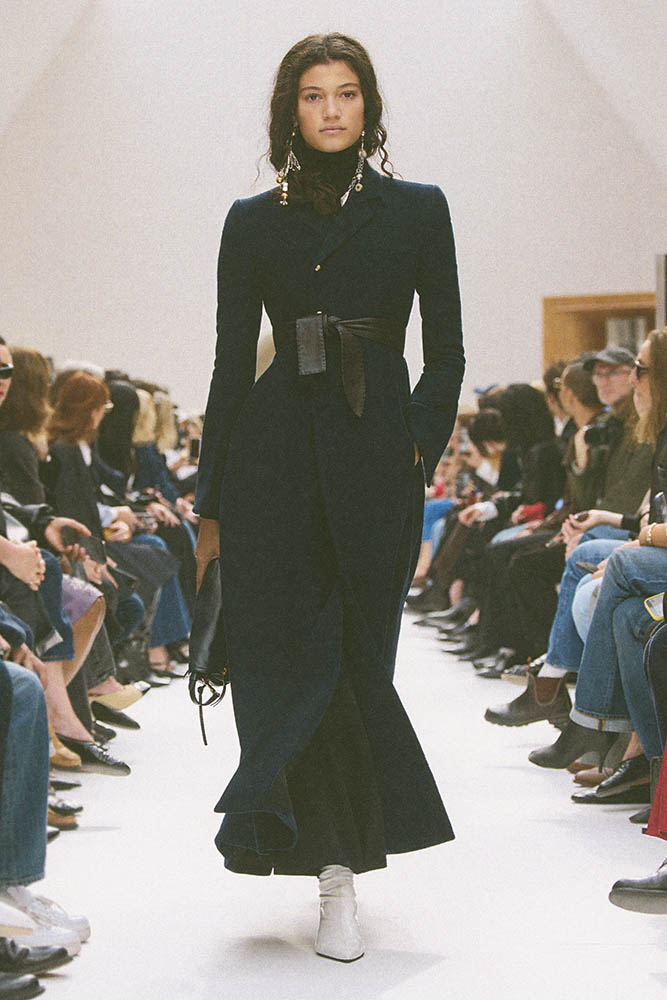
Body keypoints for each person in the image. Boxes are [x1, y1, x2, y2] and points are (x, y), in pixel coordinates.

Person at [193, 33, 464, 962]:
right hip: (271, 462)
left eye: (346, 93)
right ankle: (334, 877)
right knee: (289, 665)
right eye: (313, 95)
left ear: (368, 106)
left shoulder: (417, 208)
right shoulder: (251, 220)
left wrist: (412, 444)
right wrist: (210, 505)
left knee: (355, 662)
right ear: (290, 112)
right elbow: (230, 365)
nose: (331, 110)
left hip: (373, 460)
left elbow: (446, 351)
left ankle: (341, 864)